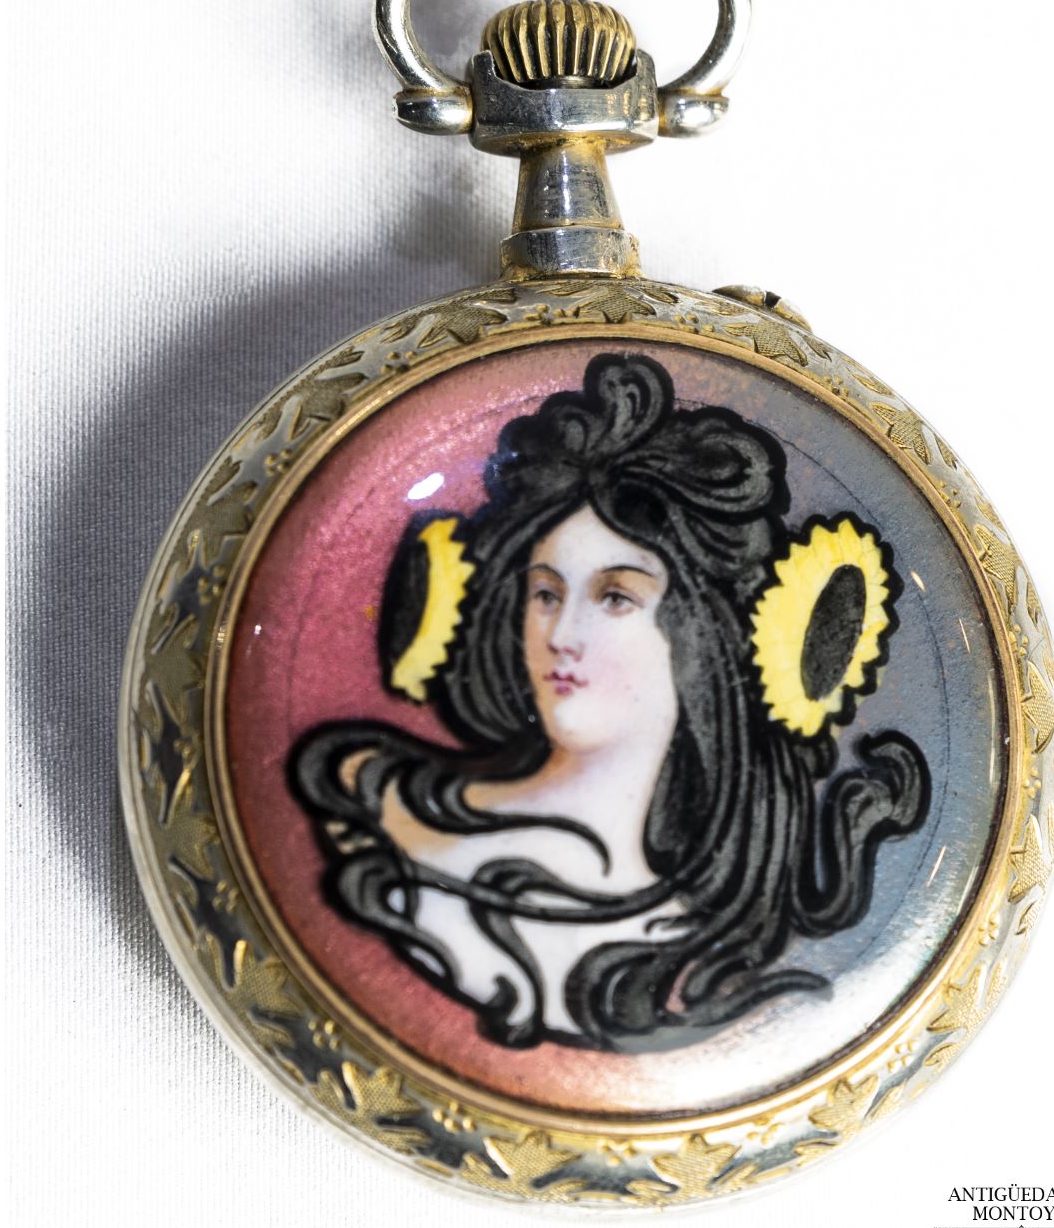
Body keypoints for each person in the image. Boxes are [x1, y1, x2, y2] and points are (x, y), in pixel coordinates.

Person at [291, 353, 929, 1054]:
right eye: (545, 593)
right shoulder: (383, 822)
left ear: (702, 633)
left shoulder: (701, 957)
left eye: (615, 597)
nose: (561, 635)